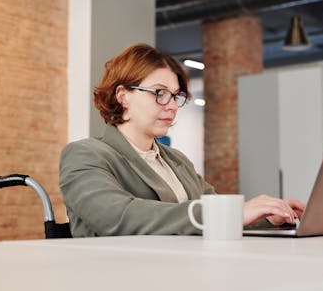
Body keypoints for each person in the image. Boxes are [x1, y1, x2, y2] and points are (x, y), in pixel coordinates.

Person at [59, 43, 305, 237]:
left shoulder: (176, 160)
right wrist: (230, 213)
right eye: (160, 94)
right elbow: (117, 217)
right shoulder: (85, 154)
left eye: (175, 96)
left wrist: (266, 218)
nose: (172, 107)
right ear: (123, 96)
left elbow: (218, 212)